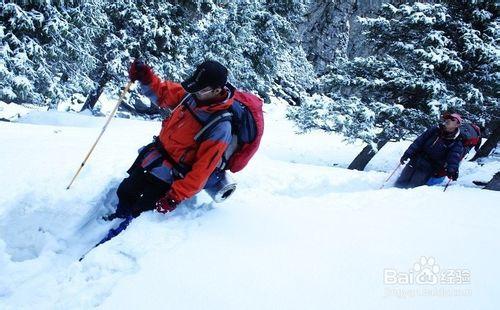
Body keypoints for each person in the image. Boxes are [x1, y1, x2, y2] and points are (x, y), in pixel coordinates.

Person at [107, 59, 237, 219]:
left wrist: (175, 196)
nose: (195, 93)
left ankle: (123, 233)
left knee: (142, 210)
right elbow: (162, 93)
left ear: (217, 90)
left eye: (200, 90)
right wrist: (146, 77)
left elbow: (202, 169)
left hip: (173, 175)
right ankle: (118, 217)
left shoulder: (220, 127)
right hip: (154, 159)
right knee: (126, 191)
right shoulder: (190, 96)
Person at [395, 113, 465, 189]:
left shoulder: (456, 141)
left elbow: (454, 157)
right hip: (416, 159)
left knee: (413, 186)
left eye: (452, 120)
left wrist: (452, 170)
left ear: (457, 125)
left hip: (429, 166)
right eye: (447, 118)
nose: (448, 120)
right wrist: (408, 154)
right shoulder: (435, 130)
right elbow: (419, 141)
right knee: (400, 182)